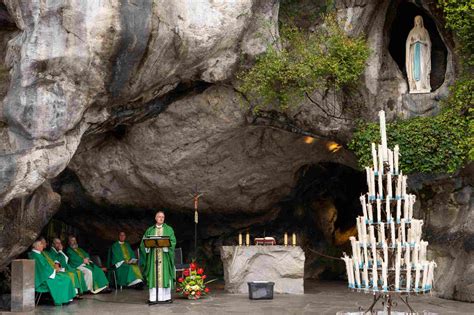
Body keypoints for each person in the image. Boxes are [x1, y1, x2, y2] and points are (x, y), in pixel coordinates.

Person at [140, 211, 176, 304]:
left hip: (164, 257)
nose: (161, 218)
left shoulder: (169, 229)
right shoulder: (150, 230)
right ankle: (153, 298)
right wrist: (147, 247)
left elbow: (173, 242)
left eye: (163, 217)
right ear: (155, 218)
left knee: (165, 275)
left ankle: (166, 297)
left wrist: (166, 246)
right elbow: (143, 243)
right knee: (153, 276)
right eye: (159, 217)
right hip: (153, 257)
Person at [28, 239, 76, 306]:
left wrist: (54, 270)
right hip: (43, 279)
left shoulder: (36, 254)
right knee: (65, 279)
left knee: (65, 277)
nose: (43, 246)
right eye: (41, 244)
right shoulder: (36, 255)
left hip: (45, 275)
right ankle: (62, 300)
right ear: (37, 246)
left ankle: (66, 298)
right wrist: (54, 270)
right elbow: (43, 268)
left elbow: (45, 266)